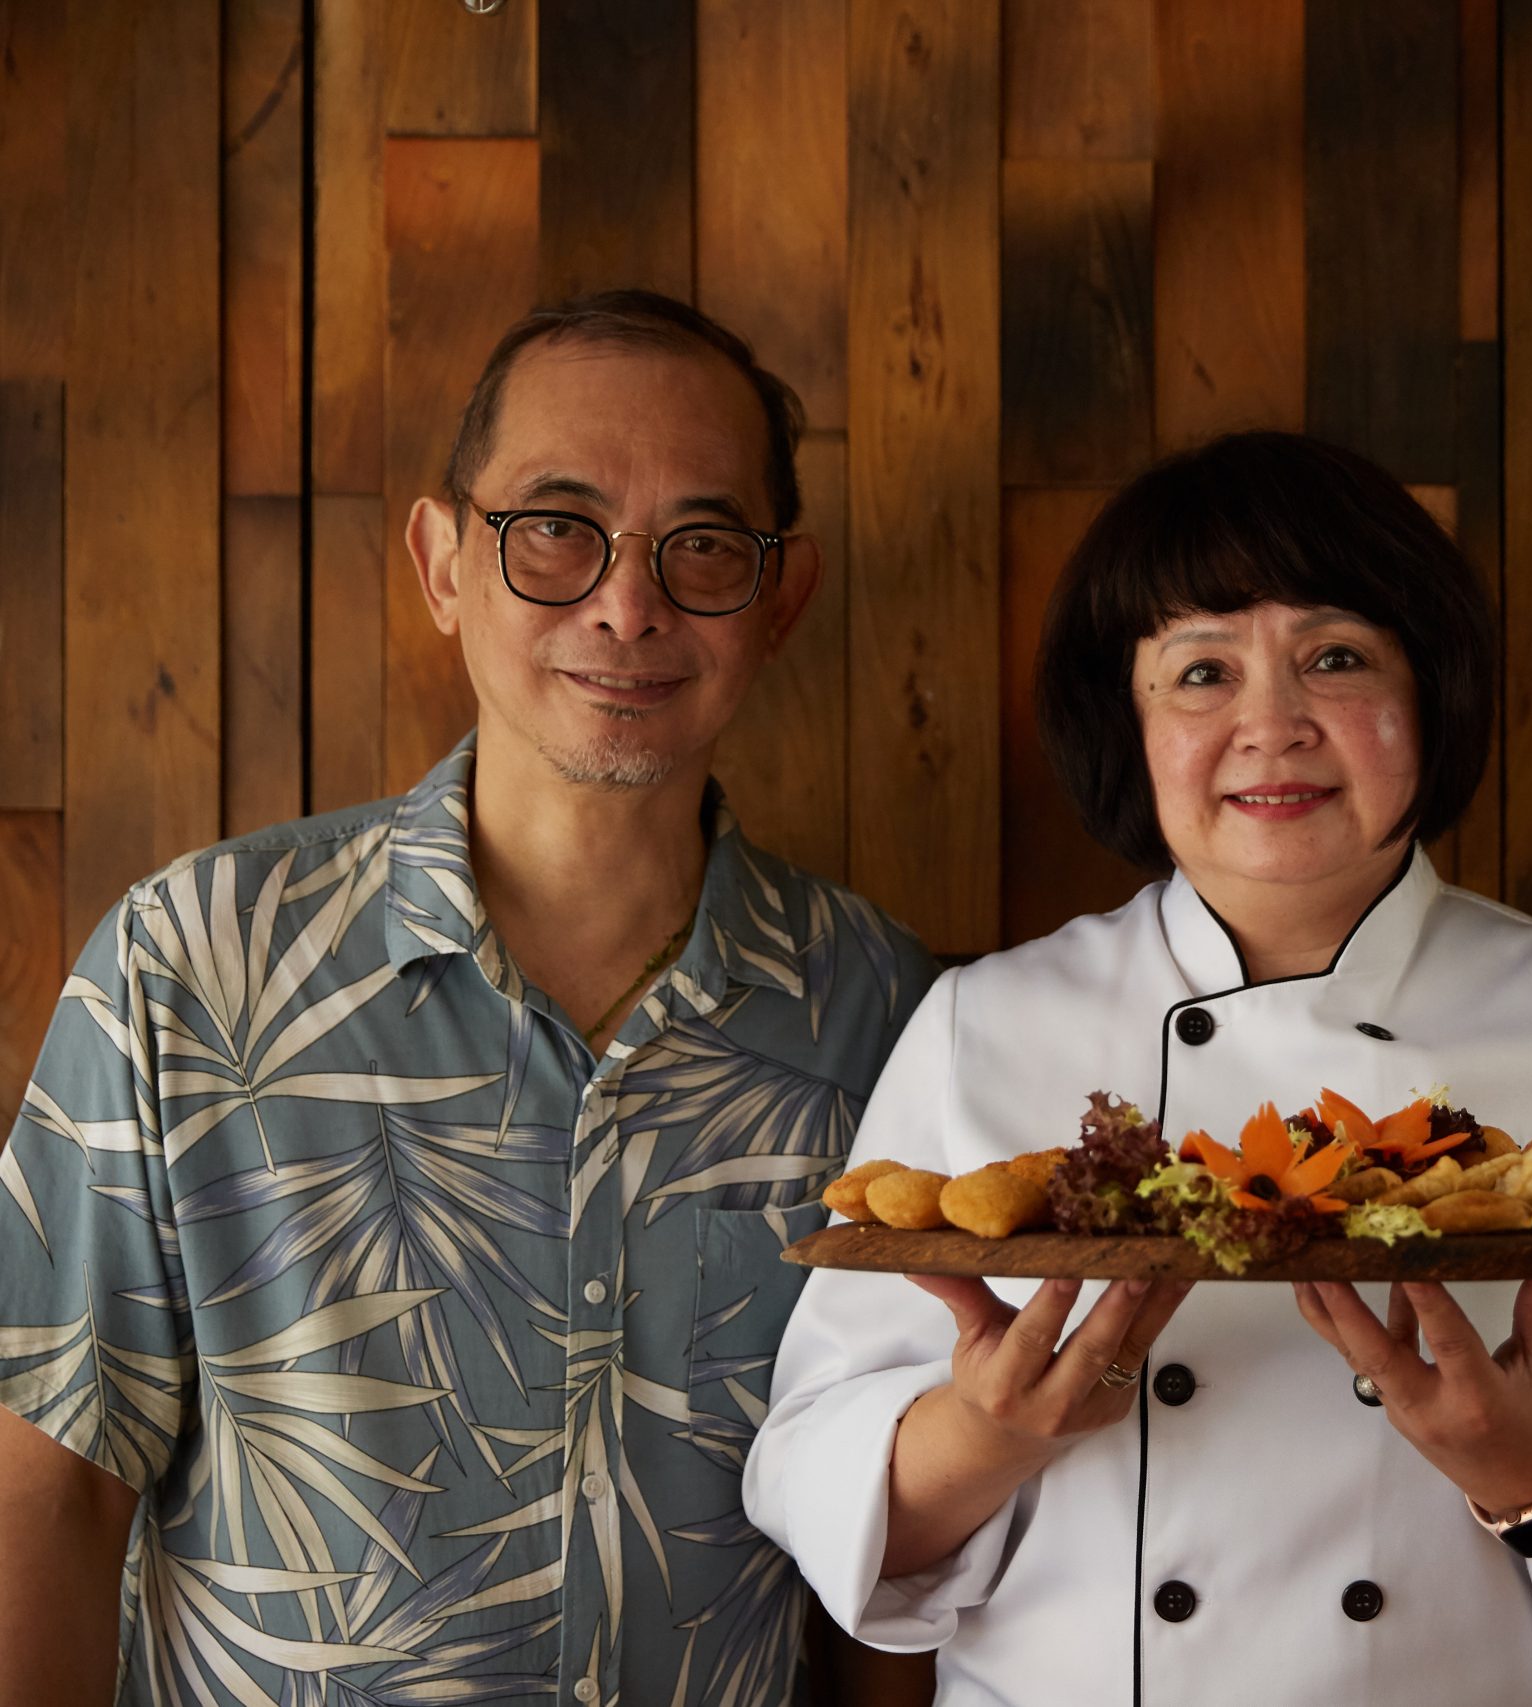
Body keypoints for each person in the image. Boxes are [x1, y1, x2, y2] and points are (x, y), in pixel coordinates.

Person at [742, 431, 1532, 1706]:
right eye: (1201, 671)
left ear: (1431, 696)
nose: (1272, 724)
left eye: (1335, 657)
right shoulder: (985, 1023)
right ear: (1126, 725)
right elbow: (820, 1486)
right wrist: (981, 1438)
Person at [0, 290, 941, 1706]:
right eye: (555, 527)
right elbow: (48, 1488)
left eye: (701, 544)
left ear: (778, 595)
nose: (628, 605)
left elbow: (892, 1544)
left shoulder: (888, 1012)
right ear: (444, 562)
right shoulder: (191, 961)